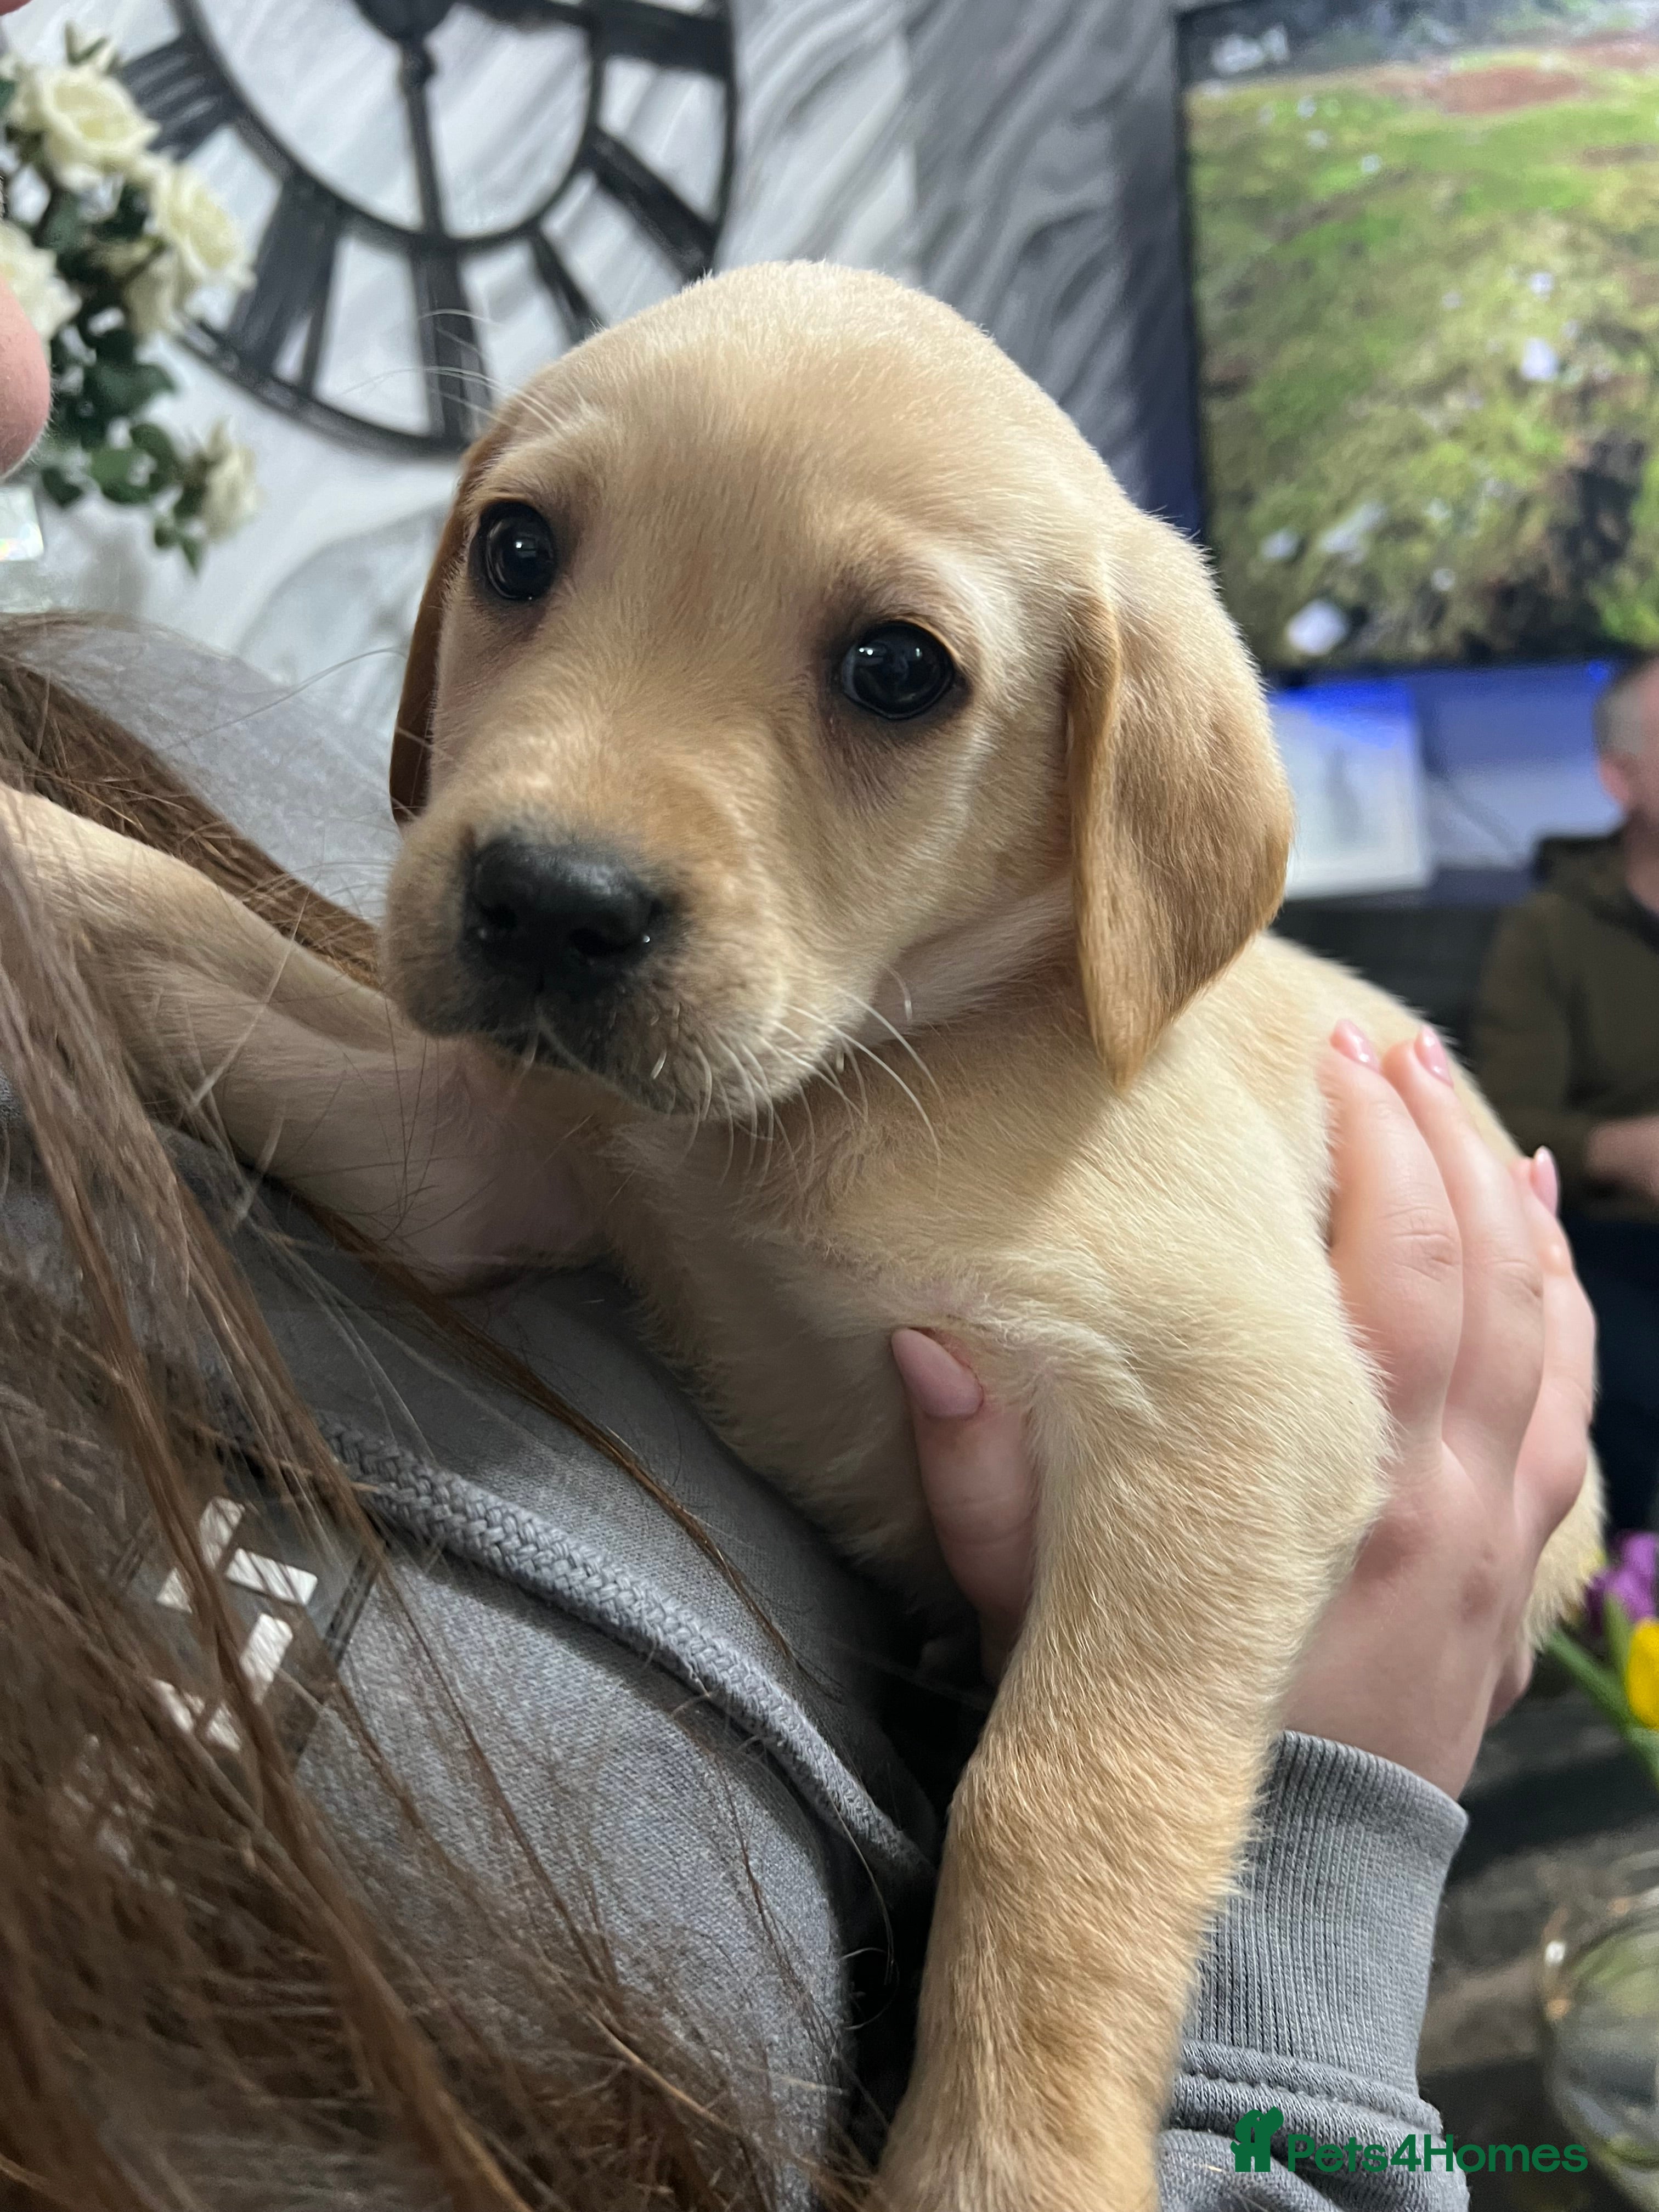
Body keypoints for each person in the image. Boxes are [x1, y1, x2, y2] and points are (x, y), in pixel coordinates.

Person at [0, 105, 1591, 2201]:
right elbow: (463, 1165)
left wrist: (1030, 2110)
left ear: (1103, 784)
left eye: (886, 673)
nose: (568, 823)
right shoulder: (672, 1064)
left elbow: (1257, 1438)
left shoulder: (1021, 1053)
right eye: (528, 554)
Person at [1474, 653, 1659, 1532]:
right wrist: (1627, 1152)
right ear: (1620, 779)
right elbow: (1506, 1129)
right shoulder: (1547, 932)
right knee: (1621, 1371)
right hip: (1614, 1242)